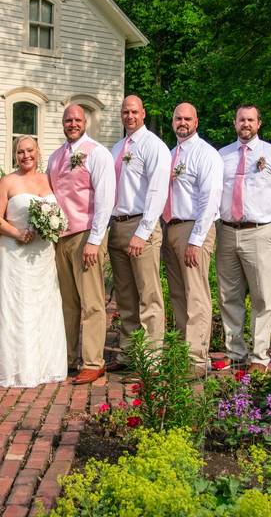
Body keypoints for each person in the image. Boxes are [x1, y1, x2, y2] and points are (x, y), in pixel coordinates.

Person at [215, 106, 271, 374]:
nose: (245, 124)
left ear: (258, 123)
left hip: (258, 232)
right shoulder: (222, 156)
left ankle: (260, 357)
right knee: (229, 296)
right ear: (235, 123)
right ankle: (235, 352)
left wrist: (268, 216)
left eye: (250, 120)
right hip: (226, 232)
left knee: (262, 296)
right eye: (241, 119)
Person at [0, 136, 68, 387]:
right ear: (15, 155)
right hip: (14, 253)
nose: (25, 156)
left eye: (30, 150)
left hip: (43, 254)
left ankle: (46, 366)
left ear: (38, 152)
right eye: (20, 152)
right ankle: (18, 369)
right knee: (18, 308)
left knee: (44, 307)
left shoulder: (48, 180)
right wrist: (17, 233)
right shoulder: (7, 182)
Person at [47, 105, 115, 385]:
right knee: (68, 302)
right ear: (62, 124)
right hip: (59, 237)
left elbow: (105, 199)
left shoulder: (97, 153)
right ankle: (68, 357)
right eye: (68, 120)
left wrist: (95, 240)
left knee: (93, 303)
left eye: (77, 119)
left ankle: (92, 361)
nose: (72, 124)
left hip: (86, 235)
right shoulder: (55, 156)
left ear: (85, 121)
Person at [107, 95, 170, 371]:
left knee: (148, 295)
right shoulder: (117, 148)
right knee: (125, 296)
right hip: (118, 226)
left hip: (140, 226)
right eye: (125, 112)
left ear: (143, 113)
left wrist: (142, 232)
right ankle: (129, 353)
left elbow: (157, 191)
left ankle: (152, 361)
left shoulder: (153, 146)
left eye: (134, 111)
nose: (129, 116)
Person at [160, 103, 223, 378]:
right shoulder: (171, 154)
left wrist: (196, 240)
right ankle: (182, 355)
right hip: (170, 228)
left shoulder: (205, 154)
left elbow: (210, 200)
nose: (182, 122)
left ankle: (196, 361)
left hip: (194, 228)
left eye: (187, 119)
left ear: (196, 122)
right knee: (177, 295)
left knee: (196, 295)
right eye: (178, 118)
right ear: (172, 121)